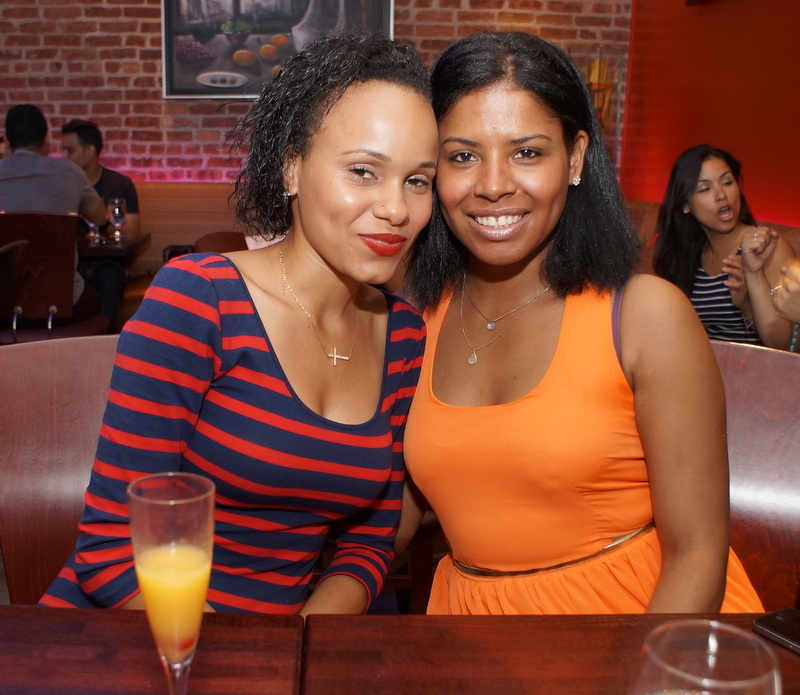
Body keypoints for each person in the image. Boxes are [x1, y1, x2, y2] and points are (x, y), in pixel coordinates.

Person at [40, 31, 438, 615]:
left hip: (275, 650)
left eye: (418, 181)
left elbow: (369, 544)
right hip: (126, 634)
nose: (397, 209)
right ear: (291, 169)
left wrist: (296, 647)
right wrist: (243, 662)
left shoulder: (403, 336)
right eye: (362, 171)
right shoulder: (200, 299)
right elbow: (112, 551)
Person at [396, 32, 762, 615]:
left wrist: (638, 673)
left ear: (575, 157)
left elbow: (697, 556)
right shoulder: (414, 320)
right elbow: (388, 521)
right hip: (467, 635)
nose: (493, 184)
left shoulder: (645, 317)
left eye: (526, 153)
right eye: (462, 156)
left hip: (638, 626)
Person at [653, 145, 796, 349]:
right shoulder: (686, 255)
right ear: (686, 204)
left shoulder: (766, 247)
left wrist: (747, 304)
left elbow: (782, 345)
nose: (721, 194)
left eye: (727, 182)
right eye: (705, 189)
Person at [0, 104, 108, 321]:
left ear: (8, 141)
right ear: (45, 139)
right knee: (99, 289)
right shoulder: (70, 173)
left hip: (3, 304)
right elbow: (100, 218)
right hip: (63, 303)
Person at [60, 119, 137, 321]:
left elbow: (130, 232)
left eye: (70, 151)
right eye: (63, 151)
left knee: (109, 275)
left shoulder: (119, 184)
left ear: (90, 150)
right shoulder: (59, 185)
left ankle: (102, 334)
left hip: (104, 262)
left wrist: (106, 220)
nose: (64, 157)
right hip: (68, 263)